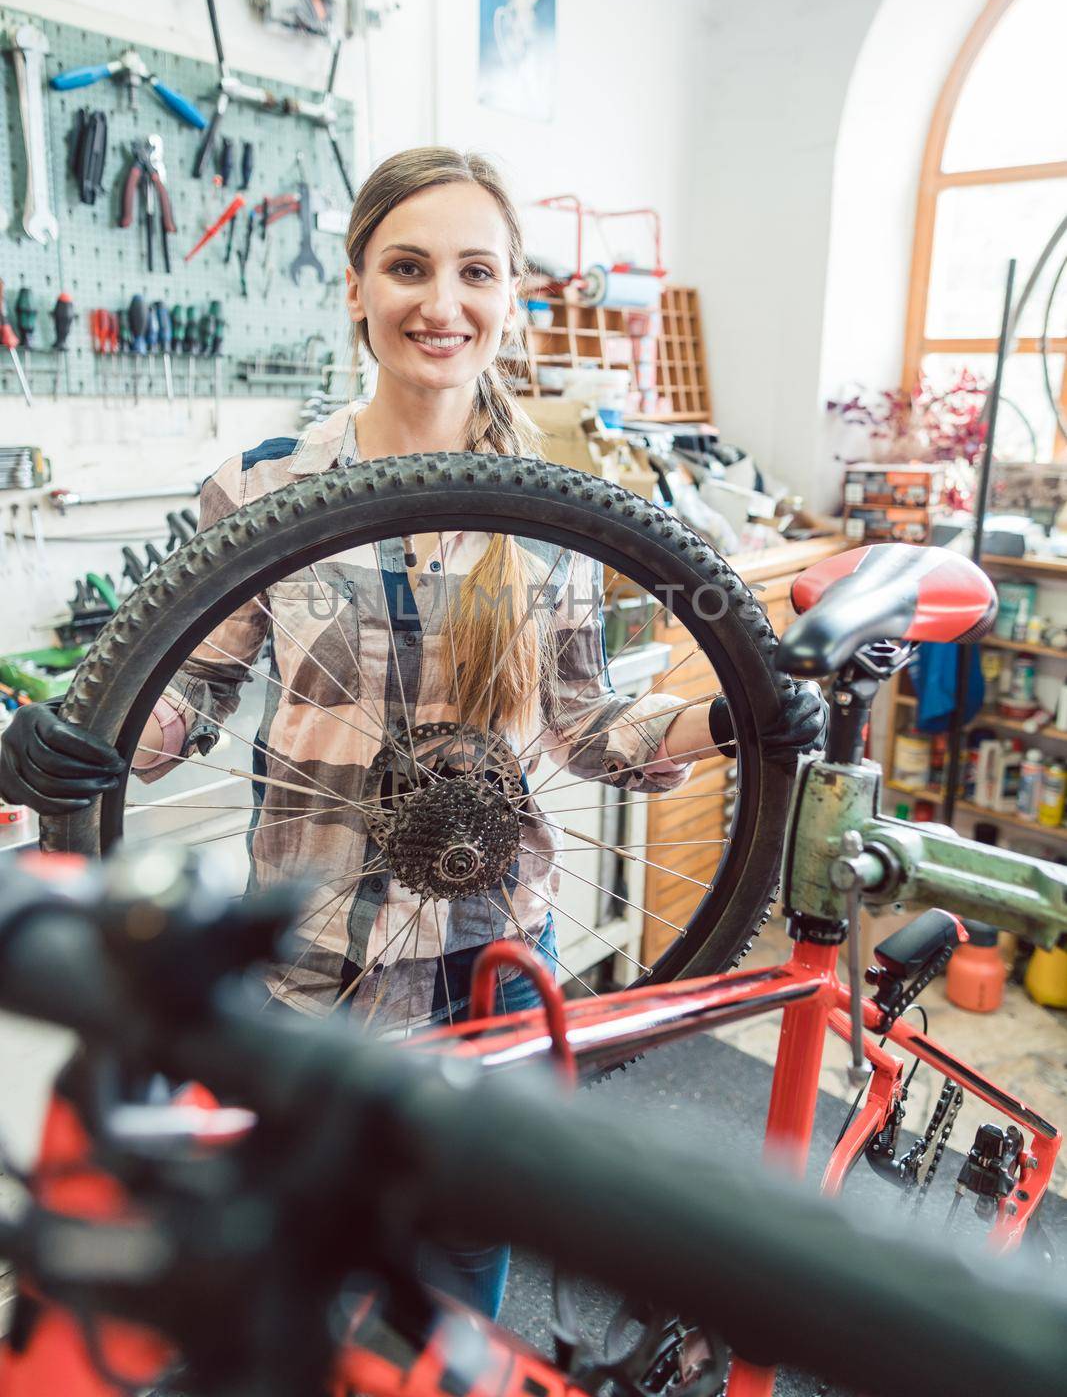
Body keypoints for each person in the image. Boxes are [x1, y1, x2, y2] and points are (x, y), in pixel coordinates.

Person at [0, 147, 826, 1315]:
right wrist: (74, 745)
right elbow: (190, 699)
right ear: (354, 286)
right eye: (407, 267)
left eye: (474, 271)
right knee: (298, 1286)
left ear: (508, 298)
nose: (441, 305)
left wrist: (738, 719)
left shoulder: (555, 507)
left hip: (494, 964)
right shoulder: (262, 486)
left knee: (452, 1289)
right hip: (311, 964)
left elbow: (590, 729)